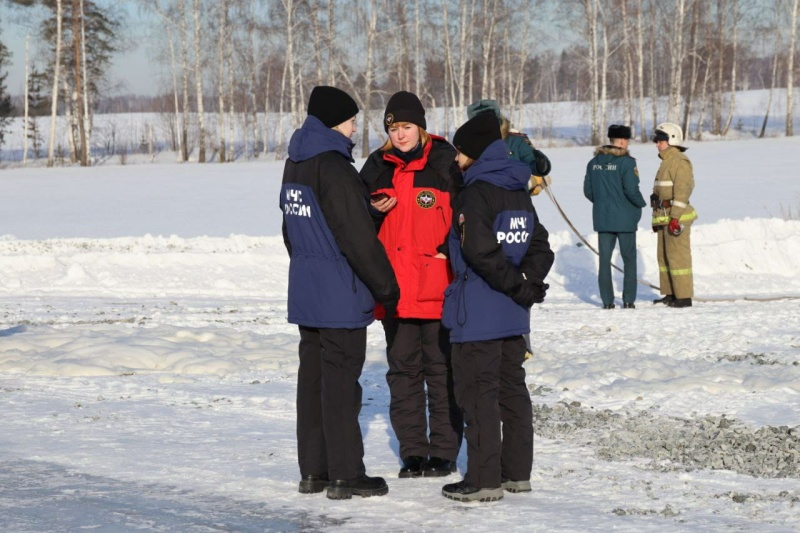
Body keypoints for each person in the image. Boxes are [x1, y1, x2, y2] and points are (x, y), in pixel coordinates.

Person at [280, 85, 400, 500]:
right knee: (340, 387)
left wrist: (362, 206)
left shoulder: (295, 163)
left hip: (307, 292)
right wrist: (387, 288)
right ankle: (346, 474)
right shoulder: (334, 166)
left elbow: (293, 230)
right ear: (335, 121)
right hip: (339, 296)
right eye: (351, 121)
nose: (353, 130)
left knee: (312, 384)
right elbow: (356, 240)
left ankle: (314, 472)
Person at [440, 111, 554, 502]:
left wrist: (520, 286)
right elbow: (539, 245)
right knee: (512, 391)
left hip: (479, 313)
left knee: (478, 394)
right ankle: (516, 473)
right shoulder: (517, 189)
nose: (456, 159)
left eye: (459, 152)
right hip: (512, 314)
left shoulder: (476, 193)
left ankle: (484, 479)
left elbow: (480, 252)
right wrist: (527, 285)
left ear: (474, 153)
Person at [359, 90, 463, 479]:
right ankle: (413, 452)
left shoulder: (444, 162)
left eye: (405, 126)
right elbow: (354, 223)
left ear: (420, 126)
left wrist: (449, 251)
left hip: (437, 288)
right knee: (403, 373)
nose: (400, 135)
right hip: (395, 291)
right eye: (393, 128)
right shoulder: (376, 166)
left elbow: (465, 215)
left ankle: (444, 451)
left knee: (441, 371)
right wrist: (370, 211)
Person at [583, 124, 647, 309]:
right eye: (626, 140)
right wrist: (641, 203)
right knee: (629, 259)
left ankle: (607, 301)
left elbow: (588, 191)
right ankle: (628, 300)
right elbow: (631, 190)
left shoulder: (593, 163)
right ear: (620, 140)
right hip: (626, 218)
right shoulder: (627, 162)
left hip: (603, 218)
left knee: (604, 260)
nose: (627, 143)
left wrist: (602, 202)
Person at [650, 122, 697, 308]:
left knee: (678, 257)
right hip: (664, 217)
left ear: (672, 140)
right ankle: (670, 293)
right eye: (657, 140)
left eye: (660, 140)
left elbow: (683, 192)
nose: (657, 143)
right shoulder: (666, 161)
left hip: (676, 218)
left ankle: (683, 297)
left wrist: (675, 218)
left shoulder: (680, 162)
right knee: (664, 257)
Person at [466, 99, 552, 195]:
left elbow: (532, 162)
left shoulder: (515, 140)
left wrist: (540, 165)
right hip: (482, 202)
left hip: (515, 202)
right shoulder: (467, 146)